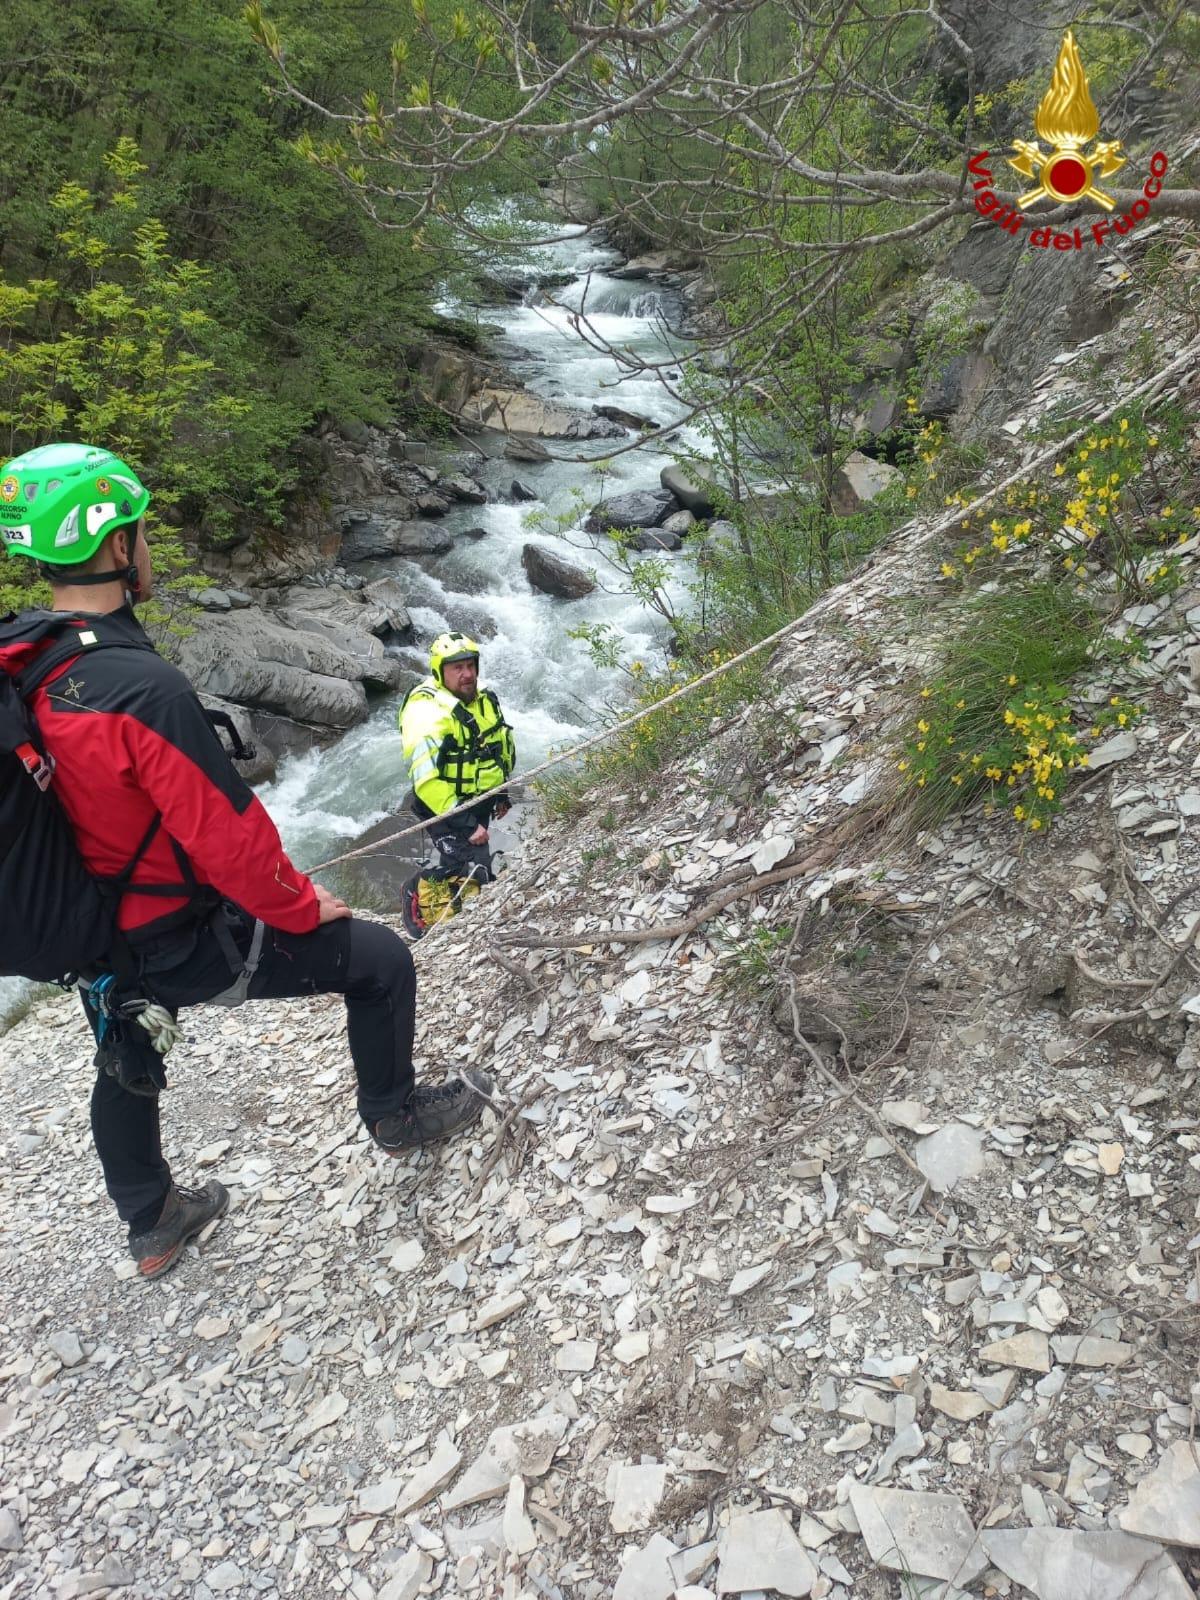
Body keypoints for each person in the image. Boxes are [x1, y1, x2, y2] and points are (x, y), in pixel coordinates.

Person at [0, 442, 490, 1281]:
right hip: (171, 935)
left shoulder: (29, 659)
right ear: (120, 547)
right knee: (381, 961)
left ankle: (152, 1223)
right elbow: (225, 836)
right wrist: (306, 908)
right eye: (140, 533)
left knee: (127, 1050)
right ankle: (396, 1115)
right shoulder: (137, 687)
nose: (144, 548)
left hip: (88, 931)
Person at [399, 631, 516, 936]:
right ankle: (417, 890)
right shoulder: (427, 715)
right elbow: (426, 782)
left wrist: (501, 793)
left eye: (470, 666)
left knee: (472, 864)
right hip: (443, 804)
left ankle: (456, 884)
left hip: (477, 798)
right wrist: (466, 823)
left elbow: (495, 748)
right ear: (440, 671)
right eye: (457, 668)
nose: (467, 675)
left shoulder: (484, 699)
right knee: (465, 861)